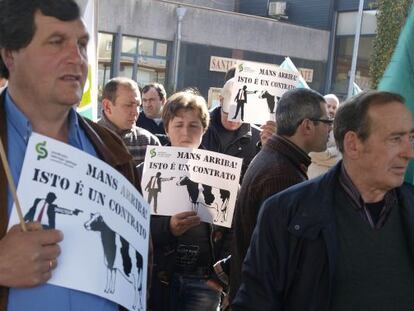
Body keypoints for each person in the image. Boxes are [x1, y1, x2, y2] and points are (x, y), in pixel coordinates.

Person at [0, 1, 141, 310]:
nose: (76, 58)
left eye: (81, 44)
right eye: (56, 42)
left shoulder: (113, 150)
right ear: (10, 54)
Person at [233, 91, 414, 310]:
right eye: (395, 139)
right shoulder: (284, 211)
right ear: (353, 144)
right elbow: (256, 302)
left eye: (411, 138)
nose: (409, 152)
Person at [230, 88, 332, 302]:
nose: (330, 129)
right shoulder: (282, 175)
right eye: (326, 122)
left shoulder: (277, 159)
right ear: (307, 126)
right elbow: (279, 261)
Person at [139, 90, 228, 311]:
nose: (185, 132)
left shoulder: (223, 174)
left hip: (204, 283)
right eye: (178, 125)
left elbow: (236, 231)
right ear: (167, 128)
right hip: (159, 281)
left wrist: (221, 276)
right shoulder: (144, 173)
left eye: (193, 125)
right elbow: (132, 225)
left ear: (204, 129)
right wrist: (167, 228)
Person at [202, 77, 276, 181]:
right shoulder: (200, 129)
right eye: (228, 113)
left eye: (239, 116)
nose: (233, 120)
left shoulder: (260, 138)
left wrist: (270, 149)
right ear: (221, 100)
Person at [98, 77, 160, 165]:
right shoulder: (88, 137)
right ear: (107, 106)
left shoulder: (149, 142)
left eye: (138, 105)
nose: (136, 112)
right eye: (128, 105)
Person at [308, 93, 342, 178]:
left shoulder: (341, 130)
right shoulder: (312, 126)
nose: (331, 110)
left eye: (334, 108)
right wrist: (335, 152)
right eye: (328, 106)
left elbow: (344, 158)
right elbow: (312, 154)